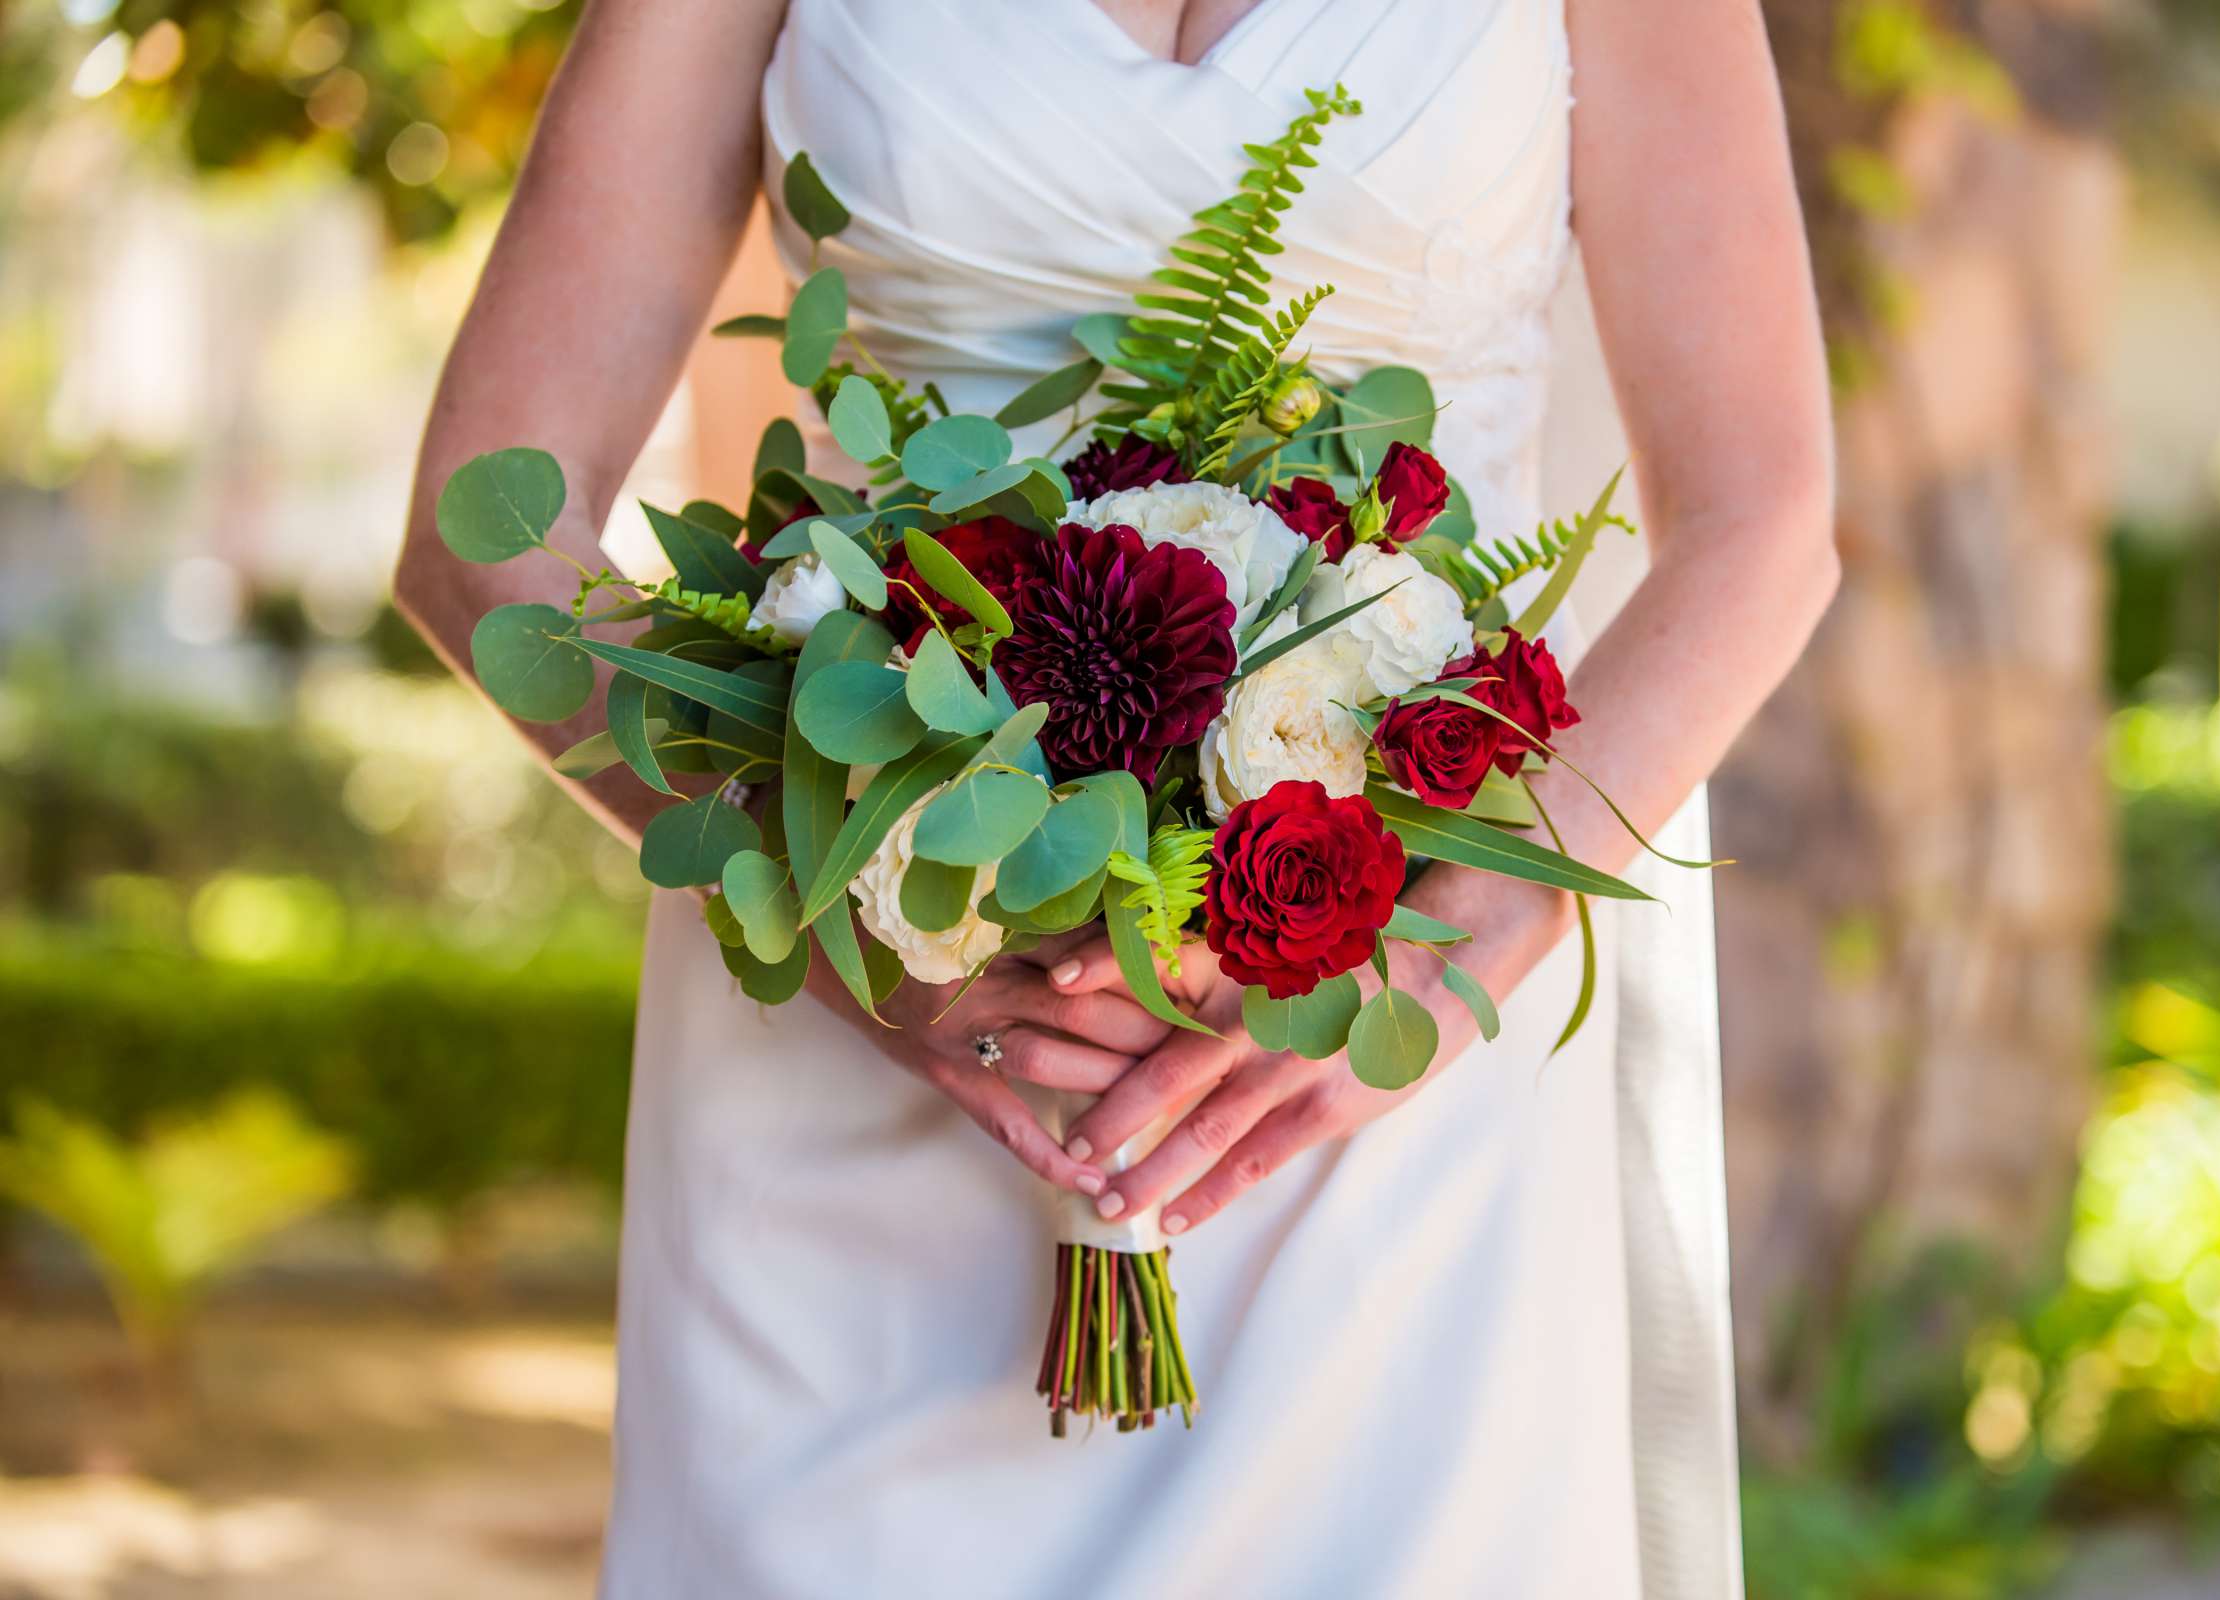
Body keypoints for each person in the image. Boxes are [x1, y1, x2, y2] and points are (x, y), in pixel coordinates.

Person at [395, 2, 1836, 1594]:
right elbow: (485, 531)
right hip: (862, 1051)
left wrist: (1461, 940)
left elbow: (1760, 516)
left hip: (1369, 1081)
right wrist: (846, 936)